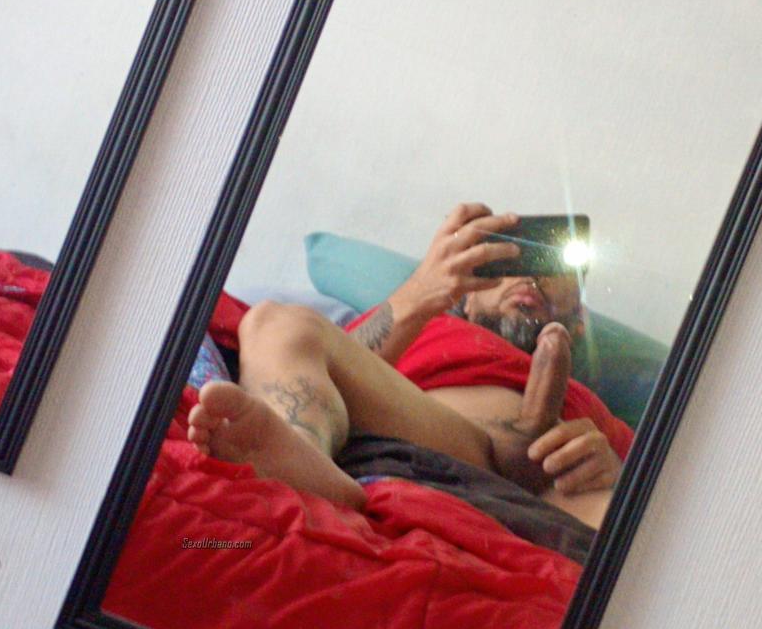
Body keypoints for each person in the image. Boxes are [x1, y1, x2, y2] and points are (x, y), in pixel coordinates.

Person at [189, 204, 628, 528]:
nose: (532, 281)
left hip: (546, 480)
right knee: (276, 322)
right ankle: (299, 455)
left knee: (624, 532)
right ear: (470, 294)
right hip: (436, 436)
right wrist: (421, 292)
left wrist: (616, 468)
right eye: (518, 263)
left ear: (579, 325)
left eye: (556, 273)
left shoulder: (588, 403)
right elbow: (321, 365)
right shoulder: (423, 322)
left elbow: (658, 500)